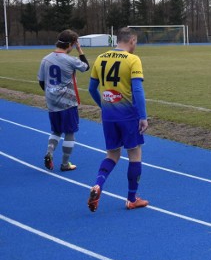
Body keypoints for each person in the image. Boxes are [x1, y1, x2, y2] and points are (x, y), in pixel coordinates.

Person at [87, 27, 149, 212]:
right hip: (128, 115)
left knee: (112, 155)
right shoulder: (132, 59)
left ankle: (98, 184)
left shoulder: (100, 58)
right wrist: (143, 116)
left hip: (109, 116)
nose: (135, 46)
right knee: (135, 155)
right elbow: (137, 90)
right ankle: (131, 198)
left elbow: (91, 89)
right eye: (135, 42)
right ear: (131, 40)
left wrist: (103, 106)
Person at [37, 29, 90, 172]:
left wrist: (51, 94)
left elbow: (41, 82)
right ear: (71, 44)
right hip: (68, 102)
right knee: (70, 132)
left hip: (52, 102)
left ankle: (49, 152)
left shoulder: (45, 59)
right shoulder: (70, 60)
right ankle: (65, 163)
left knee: (56, 130)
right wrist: (80, 50)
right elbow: (86, 67)